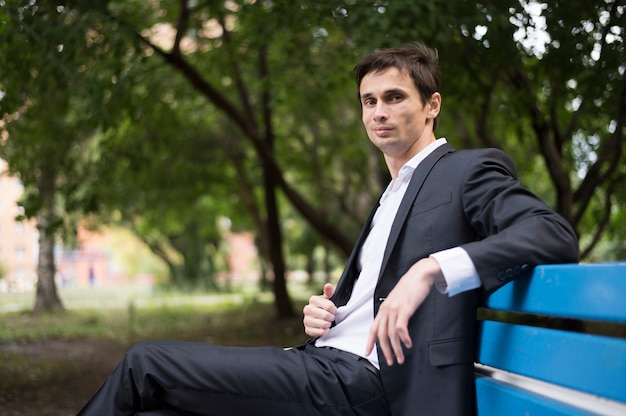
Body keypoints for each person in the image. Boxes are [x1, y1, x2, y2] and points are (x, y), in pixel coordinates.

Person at [77, 42, 579, 416]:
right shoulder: (389, 195)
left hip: (375, 384)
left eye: (394, 97)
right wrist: (332, 313)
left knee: (145, 363)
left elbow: (552, 234)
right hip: (329, 364)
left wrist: (431, 269)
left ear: (432, 105)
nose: (379, 112)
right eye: (368, 101)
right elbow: (376, 294)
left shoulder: (466, 170)